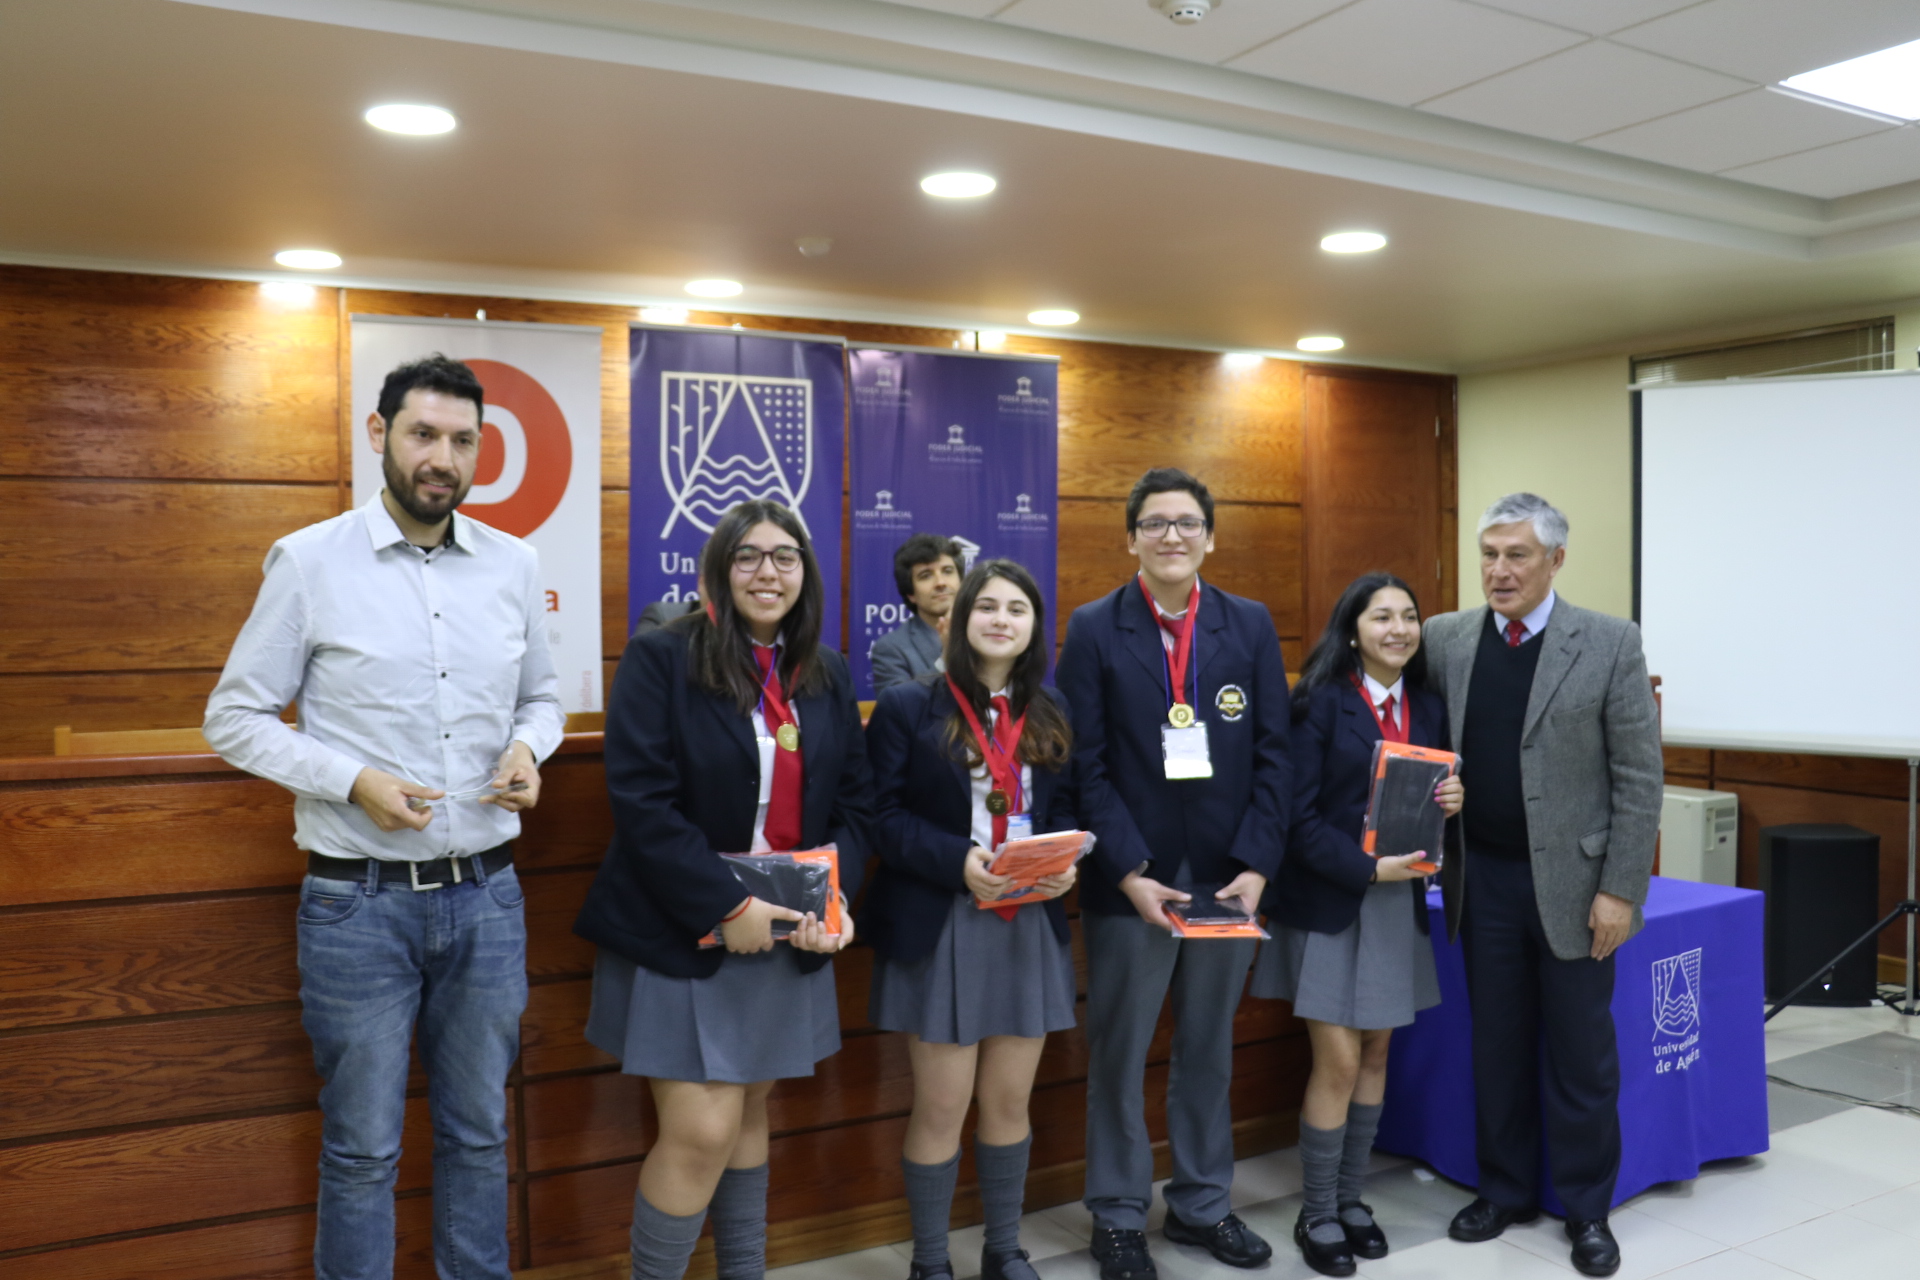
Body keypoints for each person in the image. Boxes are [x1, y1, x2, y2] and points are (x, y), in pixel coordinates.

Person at [203, 354, 563, 1280]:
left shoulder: (515, 565)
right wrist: (352, 779)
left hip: (488, 900)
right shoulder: (310, 560)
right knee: (363, 1152)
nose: (441, 457)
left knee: (480, 1138)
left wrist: (531, 749)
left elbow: (544, 700)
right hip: (357, 908)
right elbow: (233, 718)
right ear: (380, 436)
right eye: (422, 434)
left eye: (461, 440)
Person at [572, 499, 872, 1280]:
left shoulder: (827, 672)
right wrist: (727, 905)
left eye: (784, 557)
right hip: (685, 927)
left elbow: (857, 807)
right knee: (702, 1131)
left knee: (745, 1117)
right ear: (717, 568)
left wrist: (831, 899)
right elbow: (641, 800)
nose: (767, 572)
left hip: (788, 932)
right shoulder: (663, 656)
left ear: (806, 573)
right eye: (747, 556)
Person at [1056, 467, 1292, 1280]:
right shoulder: (1092, 628)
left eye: (1187, 523)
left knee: (1207, 1048)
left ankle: (1200, 1205)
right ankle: (1119, 1215)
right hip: (1137, 881)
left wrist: (1260, 861)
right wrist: (1126, 872)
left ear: (1210, 537)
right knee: (1120, 1052)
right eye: (1154, 524)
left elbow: (1273, 754)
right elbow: (1084, 769)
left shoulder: (1249, 624)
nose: (1171, 537)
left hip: (1227, 879)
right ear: (1130, 538)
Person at [1423, 493, 1661, 1279]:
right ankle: (1506, 1190)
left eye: (1516, 555)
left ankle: (1587, 1209)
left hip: (1576, 886)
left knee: (1581, 1057)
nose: (1498, 571)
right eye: (1488, 555)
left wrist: (1621, 888)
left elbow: (1638, 777)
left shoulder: (1608, 642)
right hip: (1479, 882)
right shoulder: (1446, 639)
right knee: (1496, 1046)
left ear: (1556, 559)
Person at [861, 559, 1080, 1280]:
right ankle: (929, 1260)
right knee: (942, 1105)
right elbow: (881, 821)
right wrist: (958, 859)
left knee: (1010, 1101)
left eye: (1017, 609)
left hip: (1026, 923)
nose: (1000, 620)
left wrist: (1066, 865)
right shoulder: (907, 706)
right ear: (958, 620)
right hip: (944, 919)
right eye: (986, 606)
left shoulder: (1050, 710)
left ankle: (1003, 1249)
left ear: (1033, 628)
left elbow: (1068, 812)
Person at [1250, 573, 1463, 1277]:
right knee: (1338, 1061)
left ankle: (1350, 1201)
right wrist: (1368, 870)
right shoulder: (1317, 703)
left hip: (1397, 907)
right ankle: (1317, 1213)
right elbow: (1295, 817)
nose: (1398, 629)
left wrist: (1453, 798)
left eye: (1409, 617)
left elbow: (1431, 800)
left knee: (1376, 1055)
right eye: (1382, 617)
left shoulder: (1428, 707)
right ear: (1352, 629)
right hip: (1334, 899)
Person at [870, 532, 963, 693]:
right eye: (926, 576)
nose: (940, 582)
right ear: (911, 594)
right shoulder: (892, 649)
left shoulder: (987, 631)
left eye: (947, 571)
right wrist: (946, 658)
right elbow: (898, 710)